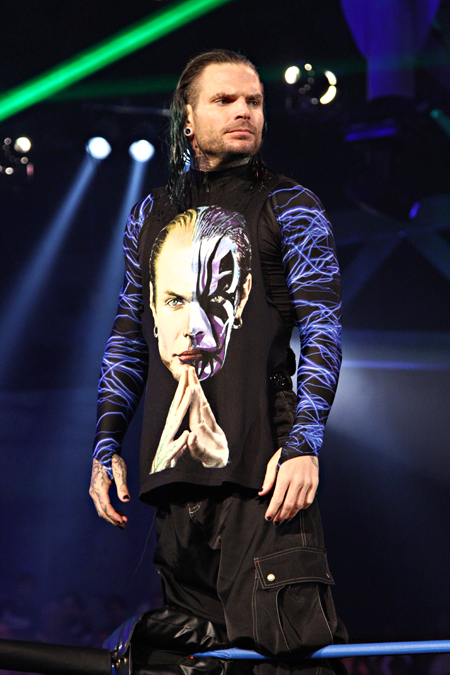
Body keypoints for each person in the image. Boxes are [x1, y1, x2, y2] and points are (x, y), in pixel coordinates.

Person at [89, 49, 347, 674]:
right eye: (225, 100)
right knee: (200, 663)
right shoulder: (149, 214)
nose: (243, 112)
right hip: (174, 481)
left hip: (263, 476)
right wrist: (106, 441)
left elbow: (323, 326)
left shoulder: (290, 203)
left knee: (282, 660)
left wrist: (305, 442)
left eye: (253, 101)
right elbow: (129, 334)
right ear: (187, 116)